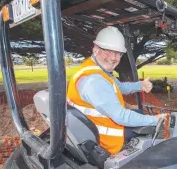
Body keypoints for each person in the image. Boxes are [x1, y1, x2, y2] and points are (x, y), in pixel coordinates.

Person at [67, 26, 166, 154]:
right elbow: (121, 116)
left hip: (91, 127)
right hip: (104, 139)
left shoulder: (97, 69)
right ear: (96, 50)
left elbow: (119, 87)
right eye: (108, 51)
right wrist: (155, 120)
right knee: (156, 129)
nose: (114, 58)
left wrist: (139, 85)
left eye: (118, 53)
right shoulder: (94, 80)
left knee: (139, 112)